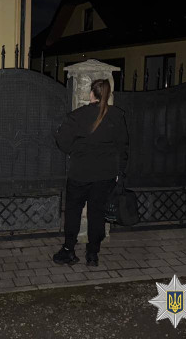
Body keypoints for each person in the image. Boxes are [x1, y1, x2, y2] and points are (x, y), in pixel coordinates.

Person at [52, 78, 129, 267]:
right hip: (104, 175)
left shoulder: (77, 116)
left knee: (73, 211)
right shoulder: (117, 116)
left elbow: (62, 141)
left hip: (80, 172)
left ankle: (69, 250)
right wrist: (119, 171)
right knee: (97, 213)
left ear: (91, 94)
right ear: (108, 95)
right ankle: (93, 253)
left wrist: (75, 151)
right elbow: (123, 147)